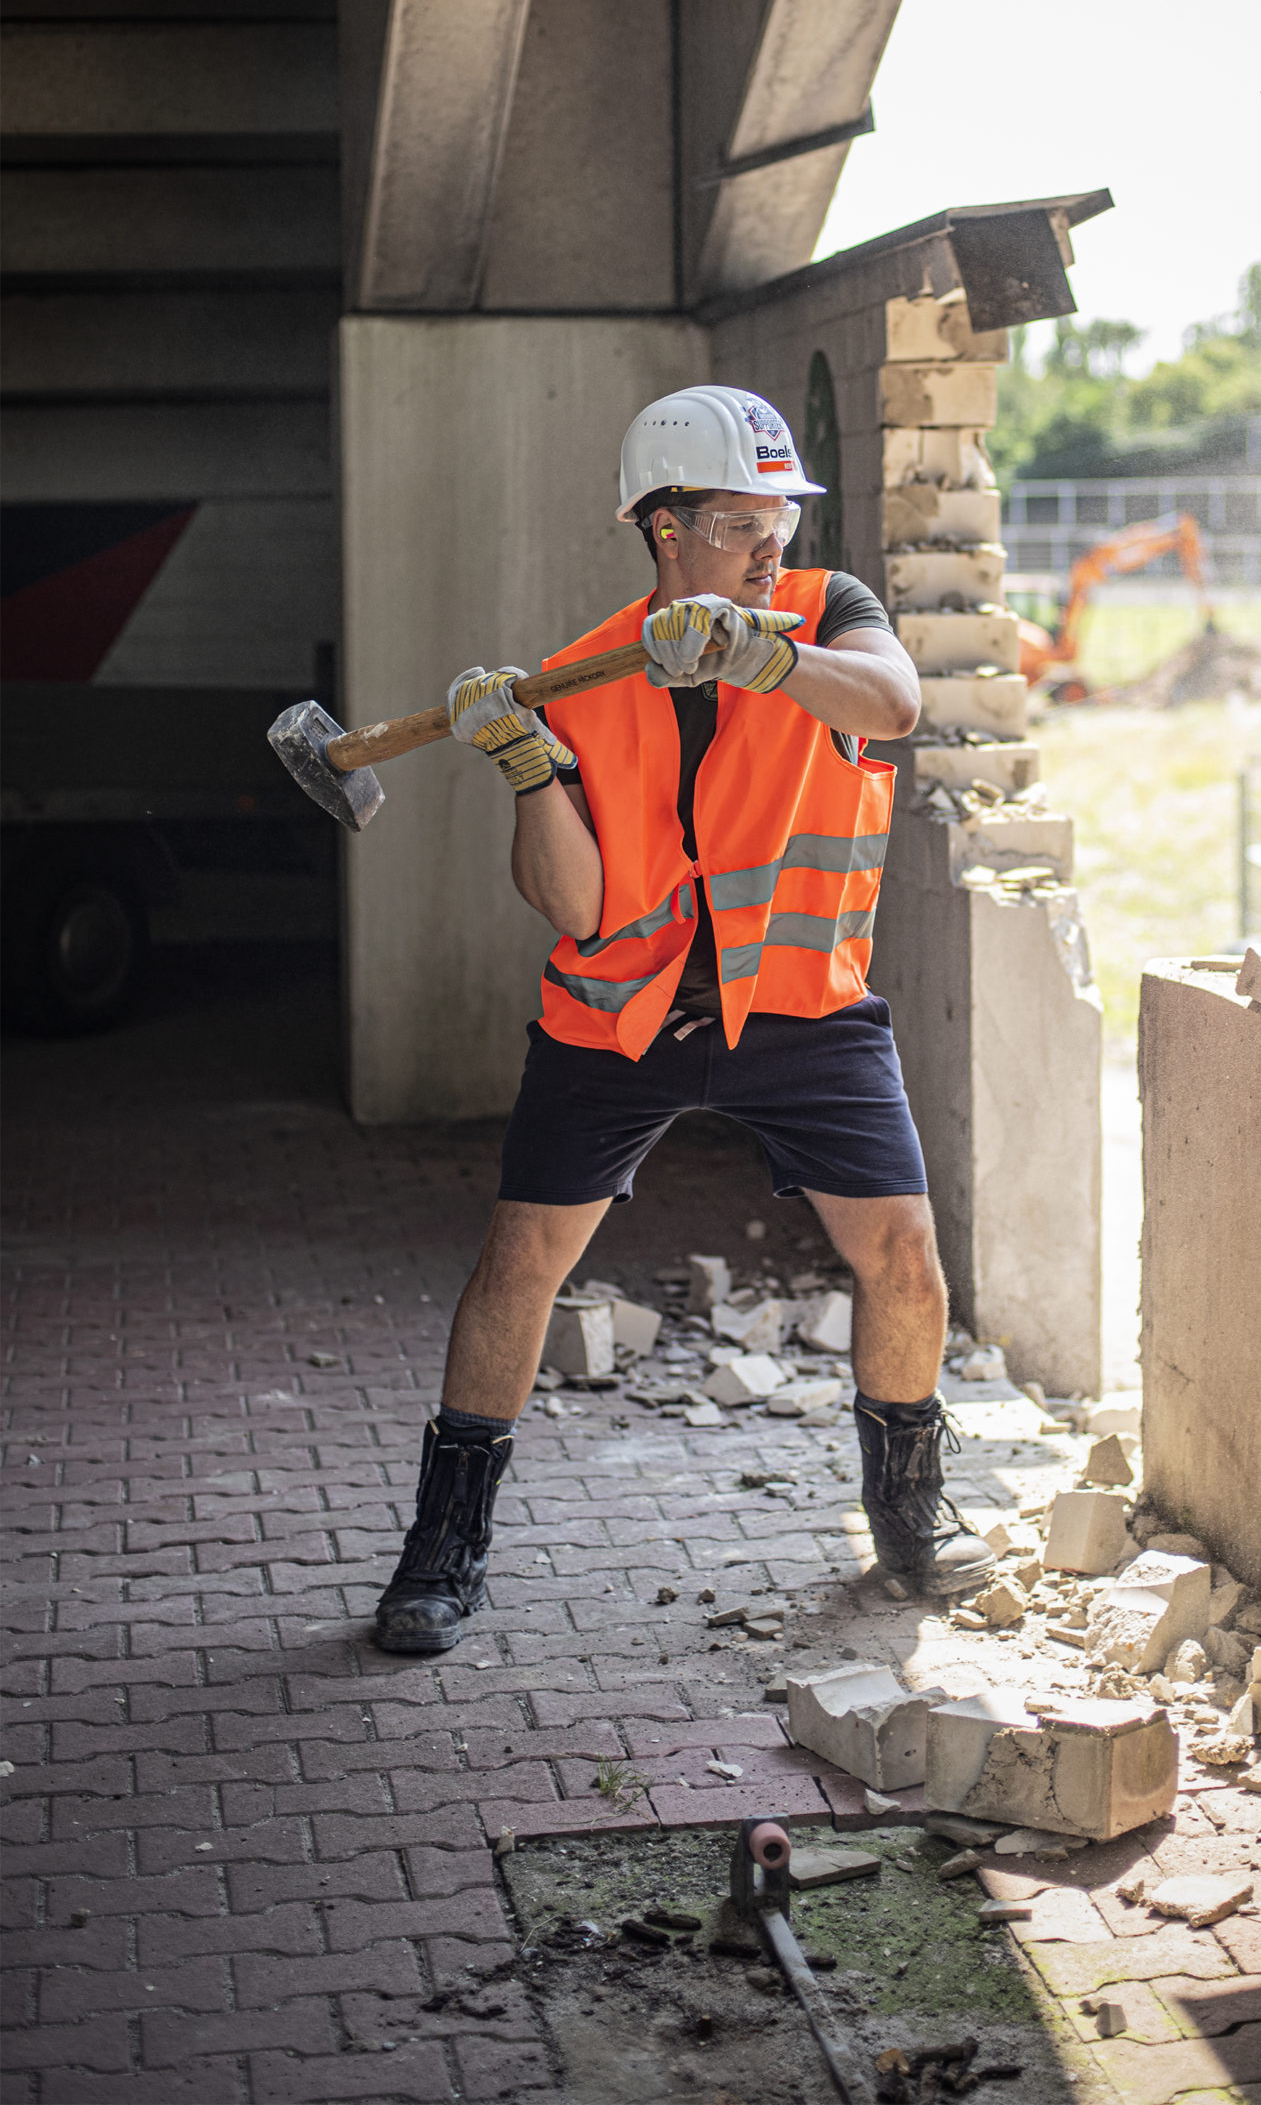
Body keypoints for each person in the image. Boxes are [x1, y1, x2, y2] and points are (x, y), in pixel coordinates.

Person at [374, 384, 993, 1654]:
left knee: (903, 1262)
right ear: (664, 527)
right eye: (741, 517)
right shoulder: (583, 681)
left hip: (803, 1007)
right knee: (520, 1266)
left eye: (781, 511)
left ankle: (909, 1513)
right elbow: (575, 903)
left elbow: (892, 706)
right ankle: (444, 1548)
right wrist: (526, 762)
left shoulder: (828, 614)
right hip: (620, 1019)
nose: (773, 539)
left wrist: (761, 653)